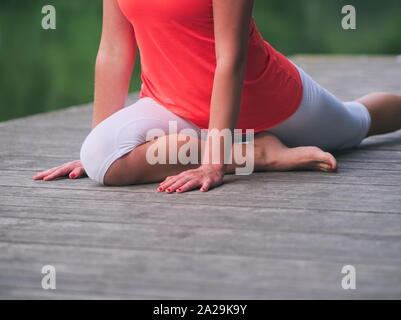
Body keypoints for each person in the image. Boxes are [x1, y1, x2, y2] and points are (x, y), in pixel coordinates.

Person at [33, 0, 401, 194]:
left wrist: (212, 163)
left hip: (265, 100)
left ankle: (232, 150)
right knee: (101, 160)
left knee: (357, 124)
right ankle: (255, 154)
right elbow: (113, 50)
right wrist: (99, 138)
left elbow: (231, 59)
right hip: (170, 102)